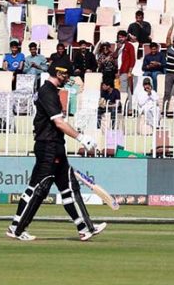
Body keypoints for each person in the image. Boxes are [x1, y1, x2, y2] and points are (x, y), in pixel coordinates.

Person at [7, 62, 105, 241]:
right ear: (59, 73)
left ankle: (85, 227)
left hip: (55, 146)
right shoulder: (47, 91)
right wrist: (81, 138)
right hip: (48, 147)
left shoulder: (51, 91)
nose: (68, 78)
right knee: (39, 188)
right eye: (66, 74)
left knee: (69, 187)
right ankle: (17, 229)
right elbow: (59, 122)